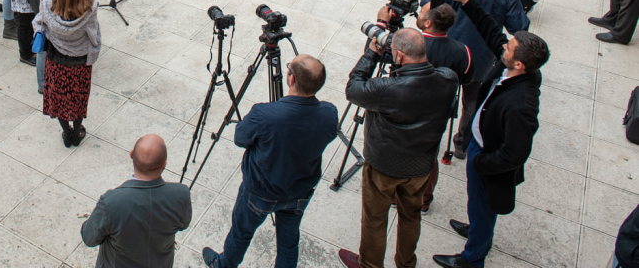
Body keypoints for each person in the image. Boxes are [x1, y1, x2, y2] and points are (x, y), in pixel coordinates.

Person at [432, 0, 550, 268]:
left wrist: (482, 162)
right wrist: (466, 1)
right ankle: (477, 230)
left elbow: (516, 152)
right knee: (477, 204)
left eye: (510, 47)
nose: (504, 46)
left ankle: (472, 258)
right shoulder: (514, 66)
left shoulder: (521, 104)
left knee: (483, 206)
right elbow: (492, 31)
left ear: (519, 64)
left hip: (487, 158)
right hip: (480, 144)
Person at [337, 29, 459, 268]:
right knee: (411, 216)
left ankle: (370, 265)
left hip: (384, 167)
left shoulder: (385, 89)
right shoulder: (448, 79)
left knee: (374, 219)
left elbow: (353, 89)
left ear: (400, 56)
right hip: (421, 165)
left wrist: (371, 54)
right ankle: (406, 264)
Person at [202, 55, 337, 268]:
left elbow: (240, 138)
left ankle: (223, 265)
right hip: (299, 192)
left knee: (241, 234)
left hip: (259, 192)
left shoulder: (264, 114)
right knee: (288, 244)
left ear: (291, 79)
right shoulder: (330, 113)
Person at [424, 0, 530, 159]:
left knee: (433, 96)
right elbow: (520, 27)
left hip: (445, 55)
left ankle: (427, 135)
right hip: (482, 60)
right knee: (472, 101)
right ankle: (462, 144)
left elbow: (426, 11)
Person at [374, 1, 473, 212]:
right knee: (429, 154)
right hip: (438, 113)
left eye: (422, 12)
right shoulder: (463, 51)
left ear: (428, 23)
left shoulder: (407, 44)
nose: (418, 13)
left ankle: (395, 195)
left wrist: (382, 24)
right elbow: (467, 79)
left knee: (399, 151)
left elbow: (374, 50)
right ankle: (424, 200)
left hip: (403, 106)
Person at [81, 134, 192, 268]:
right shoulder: (181, 195)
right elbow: (183, 225)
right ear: (164, 164)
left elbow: (89, 238)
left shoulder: (111, 203)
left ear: (132, 155)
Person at [35, 0, 101, 147]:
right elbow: (93, 34)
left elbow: (39, 24)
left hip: (56, 60)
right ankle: (77, 132)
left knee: (59, 99)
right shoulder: (90, 7)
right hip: (80, 63)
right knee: (78, 100)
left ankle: (66, 133)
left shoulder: (47, 2)